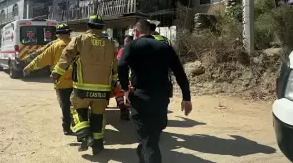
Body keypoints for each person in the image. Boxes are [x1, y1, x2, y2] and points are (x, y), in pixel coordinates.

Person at [118, 19, 192, 163]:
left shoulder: (132, 46)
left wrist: (125, 89)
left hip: (140, 98)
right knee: (151, 137)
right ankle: (142, 155)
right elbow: (180, 73)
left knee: (149, 142)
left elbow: (121, 66)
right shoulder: (164, 46)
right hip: (161, 98)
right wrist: (186, 97)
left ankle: (145, 154)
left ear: (136, 32)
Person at [51, 15, 118, 155]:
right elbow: (115, 66)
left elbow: (67, 55)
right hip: (103, 89)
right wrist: (113, 82)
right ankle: (98, 145)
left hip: (82, 87)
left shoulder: (80, 39)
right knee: (98, 116)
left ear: (89, 26)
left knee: (76, 109)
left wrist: (57, 72)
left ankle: (85, 136)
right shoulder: (111, 43)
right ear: (102, 27)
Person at [23, 24, 74, 135]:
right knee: (77, 104)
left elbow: (41, 58)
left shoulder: (55, 45)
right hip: (77, 81)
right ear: (69, 33)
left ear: (58, 34)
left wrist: (28, 67)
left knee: (64, 105)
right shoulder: (76, 44)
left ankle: (67, 127)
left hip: (61, 81)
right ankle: (79, 125)